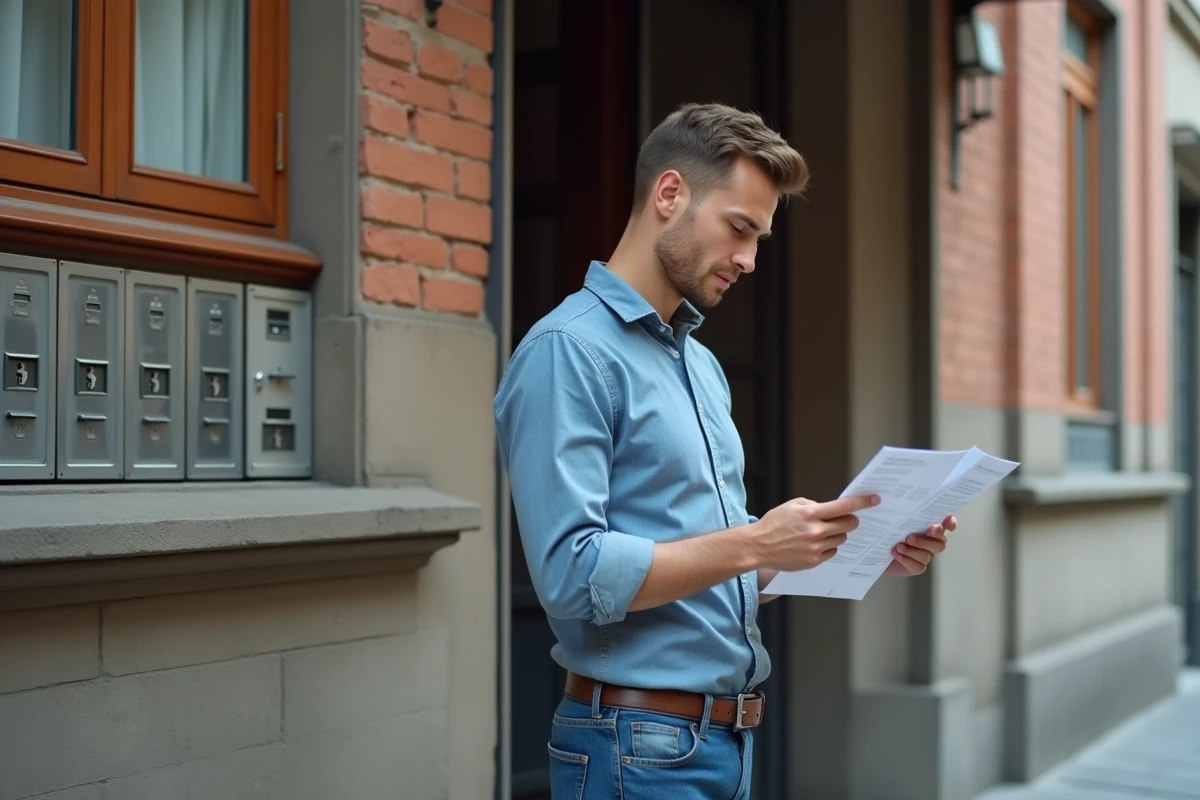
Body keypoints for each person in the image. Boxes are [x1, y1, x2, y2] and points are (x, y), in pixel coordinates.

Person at [493, 103, 957, 800]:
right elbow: (571, 572)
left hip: (721, 745)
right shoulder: (568, 352)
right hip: (631, 748)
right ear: (669, 194)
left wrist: (850, 546)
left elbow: (713, 563)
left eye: (759, 238)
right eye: (739, 229)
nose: (749, 260)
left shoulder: (700, 365)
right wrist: (756, 542)